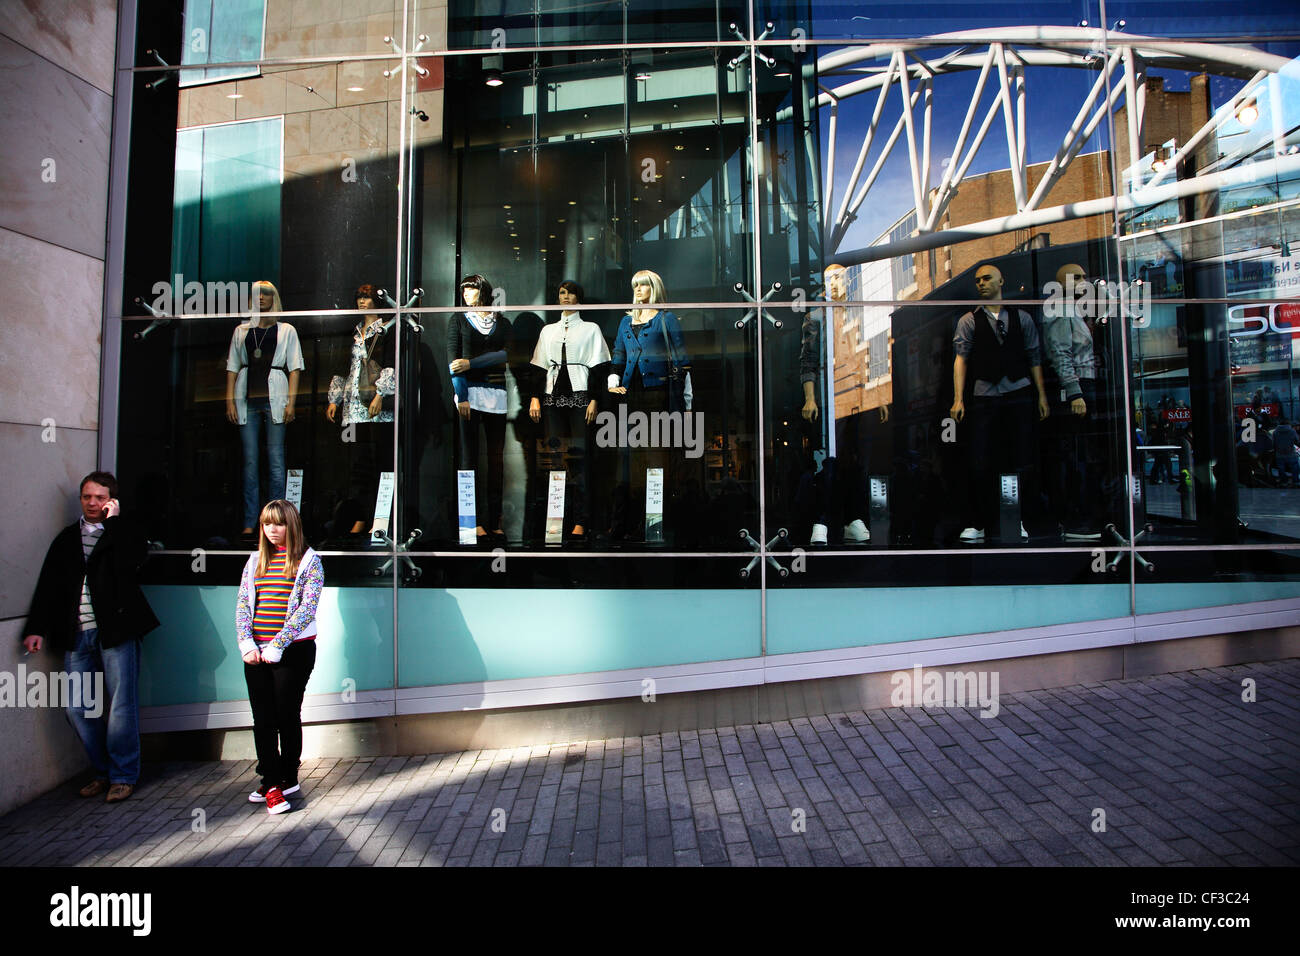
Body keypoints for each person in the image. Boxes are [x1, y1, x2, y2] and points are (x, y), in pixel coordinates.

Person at [21, 471, 159, 803]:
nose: (93, 503)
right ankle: (103, 771)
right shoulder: (67, 538)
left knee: (121, 708)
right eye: (87, 497)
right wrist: (35, 629)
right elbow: (49, 586)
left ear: (111, 500)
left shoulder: (124, 532)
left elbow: (132, 563)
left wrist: (114, 524)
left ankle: (123, 776)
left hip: (117, 632)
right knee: (77, 708)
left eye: (100, 498)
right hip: (78, 634)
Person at [951, 263, 1050, 542]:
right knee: (981, 461)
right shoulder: (968, 320)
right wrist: (958, 399)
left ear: (1001, 280)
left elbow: (1034, 357)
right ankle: (980, 521)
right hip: (984, 394)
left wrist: (1041, 395)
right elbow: (961, 359)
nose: (981, 283)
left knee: (1020, 458)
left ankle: (1017, 518)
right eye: (977, 280)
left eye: (986, 278)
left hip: (1018, 391)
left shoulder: (1022, 319)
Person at [236, 499, 323, 815]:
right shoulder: (255, 560)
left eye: (279, 523)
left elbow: (306, 609)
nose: (272, 529)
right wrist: (247, 642)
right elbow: (244, 605)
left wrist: (279, 644)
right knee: (263, 719)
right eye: (266, 523)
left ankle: (288, 776)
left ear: (292, 526)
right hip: (256, 653)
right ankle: (271, 782)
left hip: (293, 652)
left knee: (286, 714)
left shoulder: (309, 562)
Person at [608, 269, 691, 541]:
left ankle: (656, 522)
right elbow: (619, 354)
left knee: (656, 459)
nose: (639, 290)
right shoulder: (625, 322)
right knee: (632, 461)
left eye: (643, 285)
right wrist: (612, 380)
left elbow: (682, 359)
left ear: (654, 288)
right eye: (635, 286)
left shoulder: (666, 319)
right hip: (631, 395)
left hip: (658, 394)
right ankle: (631, 523)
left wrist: (685, 400)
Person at [529, 280, 611, 539]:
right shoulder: (547, 330)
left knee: (581, 458)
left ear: (579, 298)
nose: (565, 297)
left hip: (580, 396)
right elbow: (539, 366)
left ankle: (580, 520)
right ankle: (555, 518)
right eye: (561, 292)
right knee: (555, 457)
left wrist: (595, 399)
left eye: (570, 293)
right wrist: (534, 397)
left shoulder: (590, 328)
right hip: (552, 398)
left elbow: (599, 367)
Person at [225, 280, 305, 537]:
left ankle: (278, 521)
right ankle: (251, 521)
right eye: (257, 294)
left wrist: (292, 401)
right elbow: (232, 367)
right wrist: (229, 400)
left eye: (266, 294)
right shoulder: (241, 331)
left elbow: (295, 368)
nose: (261, 298)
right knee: (250, 462)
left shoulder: (287, 330)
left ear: (274, 298)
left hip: (275, 399)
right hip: (247, 400)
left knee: (275, 461)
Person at [798, 263, 870, 546]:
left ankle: (853, 518)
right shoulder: (816, 317)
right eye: (829, 279)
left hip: (856, 397)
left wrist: (875, 397)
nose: (834, 283)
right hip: (831, 396)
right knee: (828, 461)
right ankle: (823, 521)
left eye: (839, 277)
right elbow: (808, 360)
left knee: (855, 461)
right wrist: (810, 397)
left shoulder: (857, 311)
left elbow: (865, 354)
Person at [326, 283, 396, 538]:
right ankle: (358, 518)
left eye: (367, 297)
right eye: (359, 297)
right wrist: (335, 399)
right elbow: (343, 365)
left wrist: (381, 394)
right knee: (358, 464)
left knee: (380, 462)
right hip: (353, 405)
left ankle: (378, 518)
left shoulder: (387, 329)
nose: (362, 301)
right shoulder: (353, 332)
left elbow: (390, 364)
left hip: (375, 406)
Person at [448, 274, 513, 540]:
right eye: (463, 290)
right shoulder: (459, 320)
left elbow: (507, 355)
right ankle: (469, 521)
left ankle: (495, 521)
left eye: (471, 289)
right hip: (468, 396)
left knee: (496, 461)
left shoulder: (502, 322)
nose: (466, 294)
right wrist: (461, 395)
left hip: (497, 396)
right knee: (468, 458)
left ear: (482, 291)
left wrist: (472, 363)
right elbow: (453, 362)